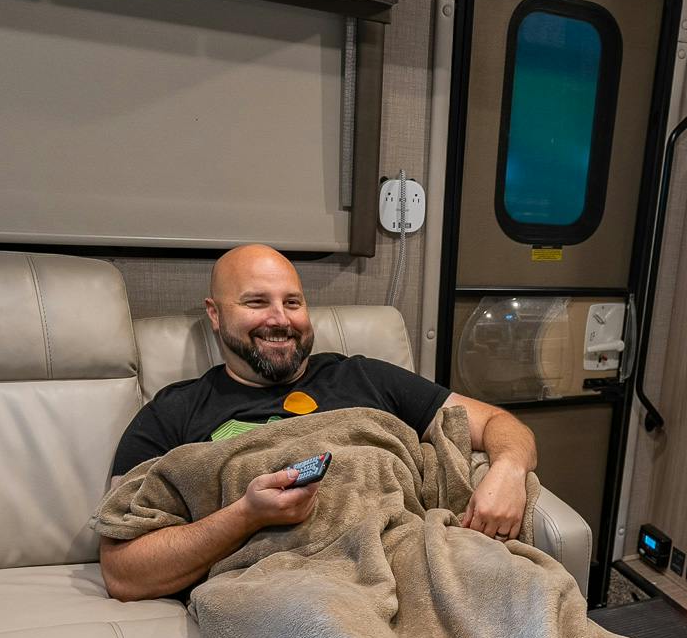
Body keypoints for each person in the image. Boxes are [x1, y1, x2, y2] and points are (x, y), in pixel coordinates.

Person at [100, 244, 536, 601]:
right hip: (285, 587)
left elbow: (499, 422)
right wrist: (246, 516)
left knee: (525, 593)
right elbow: (123, 572)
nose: (280, 319)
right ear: (215, 314)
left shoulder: (365, 375)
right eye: (256, 302)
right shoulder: (172, 412)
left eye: (293, 302)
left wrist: (509, 469)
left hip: (409, 558)